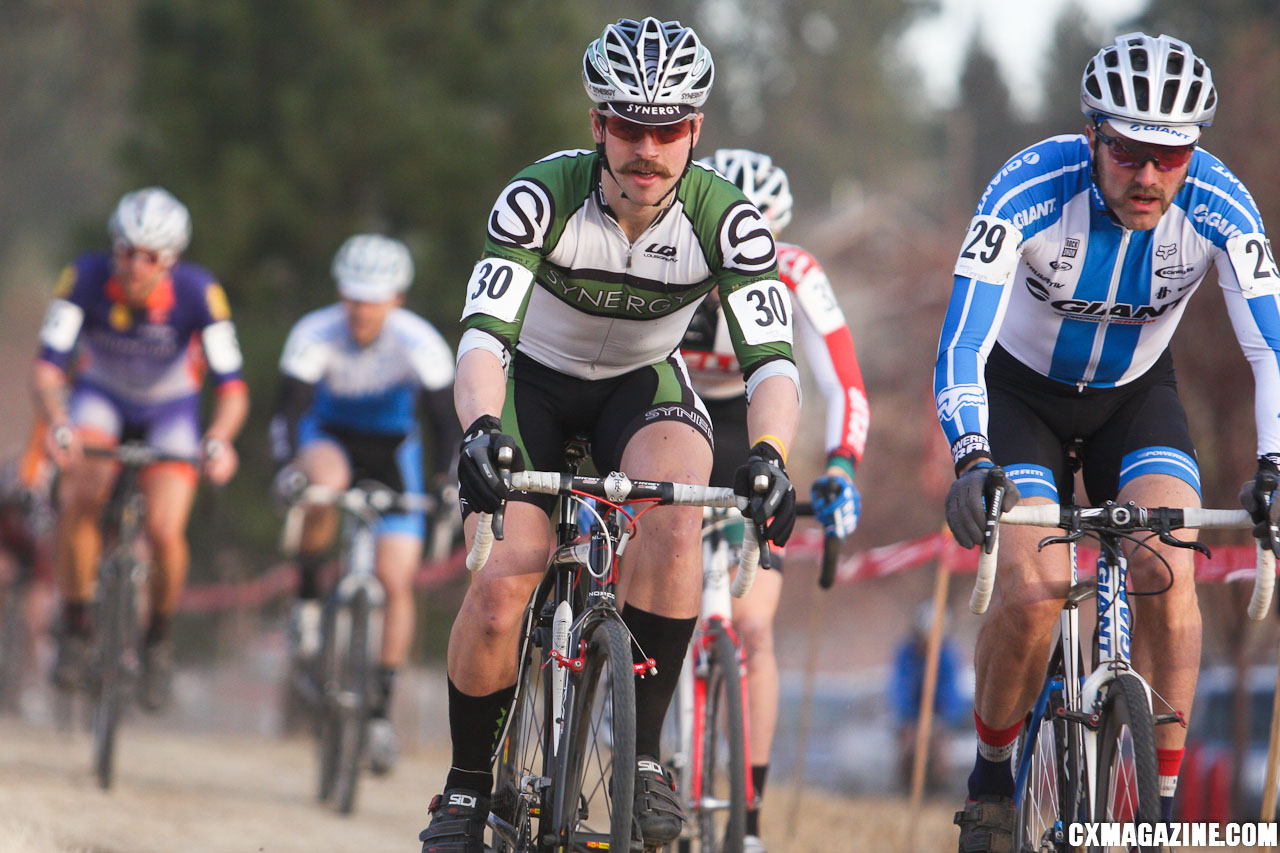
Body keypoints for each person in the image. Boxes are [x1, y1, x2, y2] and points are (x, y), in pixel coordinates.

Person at [418, 17, 801, 853]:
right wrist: (481, 428)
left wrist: (772, 456)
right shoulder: (539, 195)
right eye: (629, 125)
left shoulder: (726, 220)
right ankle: (465, 789)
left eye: (668, 129)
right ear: (597, 123)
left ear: (695, 130)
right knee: (505, 577)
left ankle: (648, 759)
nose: (648, 149)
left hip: (641, 385)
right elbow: (483, 335)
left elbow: (774, 360)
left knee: (675, 520)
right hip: (533, 385)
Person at [933, 32, 1280, 851]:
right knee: (1036, 587)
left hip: (1136, 400)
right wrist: (971, 453)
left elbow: (1271, 348)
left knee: (1169, 562)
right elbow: (961, 340)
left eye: (1171, 155)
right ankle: (991, 777)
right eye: (1128, 151)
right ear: (1094, 134)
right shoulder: (1028, 186)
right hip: (1023, 398)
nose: (1149, 174)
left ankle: (1160, 802)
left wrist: (1273, 465)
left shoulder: (1222, 207)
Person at [681, 148, 869, 852]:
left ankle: (749, 816)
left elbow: (843, 381)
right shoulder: (669, 258)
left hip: (749, 427)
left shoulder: (796, 273)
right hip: (666, 412)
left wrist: (842, 467)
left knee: (752, 629)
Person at [34, 186, 248, 712]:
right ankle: (77, 624)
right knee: (81, 495)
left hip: (169, 408)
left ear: (170, 261)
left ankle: (158, 640)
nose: (134, 266)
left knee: (165, 530)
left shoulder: (199, 292)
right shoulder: (83, 277)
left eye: (149, 257)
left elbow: (232, 388)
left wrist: (219, 438)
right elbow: (46, 368)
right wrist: (58, 421)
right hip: (99, 397)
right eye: (126, 252)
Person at [269, 233, 459, 774]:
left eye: (373, 298)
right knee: (323, 482)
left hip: (394, 451)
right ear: (339, 293)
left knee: (395, 579)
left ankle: (377, 709)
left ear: (396, 298)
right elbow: (286, 412)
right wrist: (287, 468)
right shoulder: (314, 333)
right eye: (352, 297)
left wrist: (446, 482)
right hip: (327, 438)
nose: (361, 310)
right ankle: (307, 599)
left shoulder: (418, 342)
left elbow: (445, 424)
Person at [887, 602, 968, 794]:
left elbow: (951, 690)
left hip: (940, 717)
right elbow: (900, 687)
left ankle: (939, 790)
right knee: (908, 749)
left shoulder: (948, 655)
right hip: (911, 716)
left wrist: (942, 718)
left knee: (940, 752)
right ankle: (905, 790)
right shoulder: (906, 653)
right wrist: (908, 718)